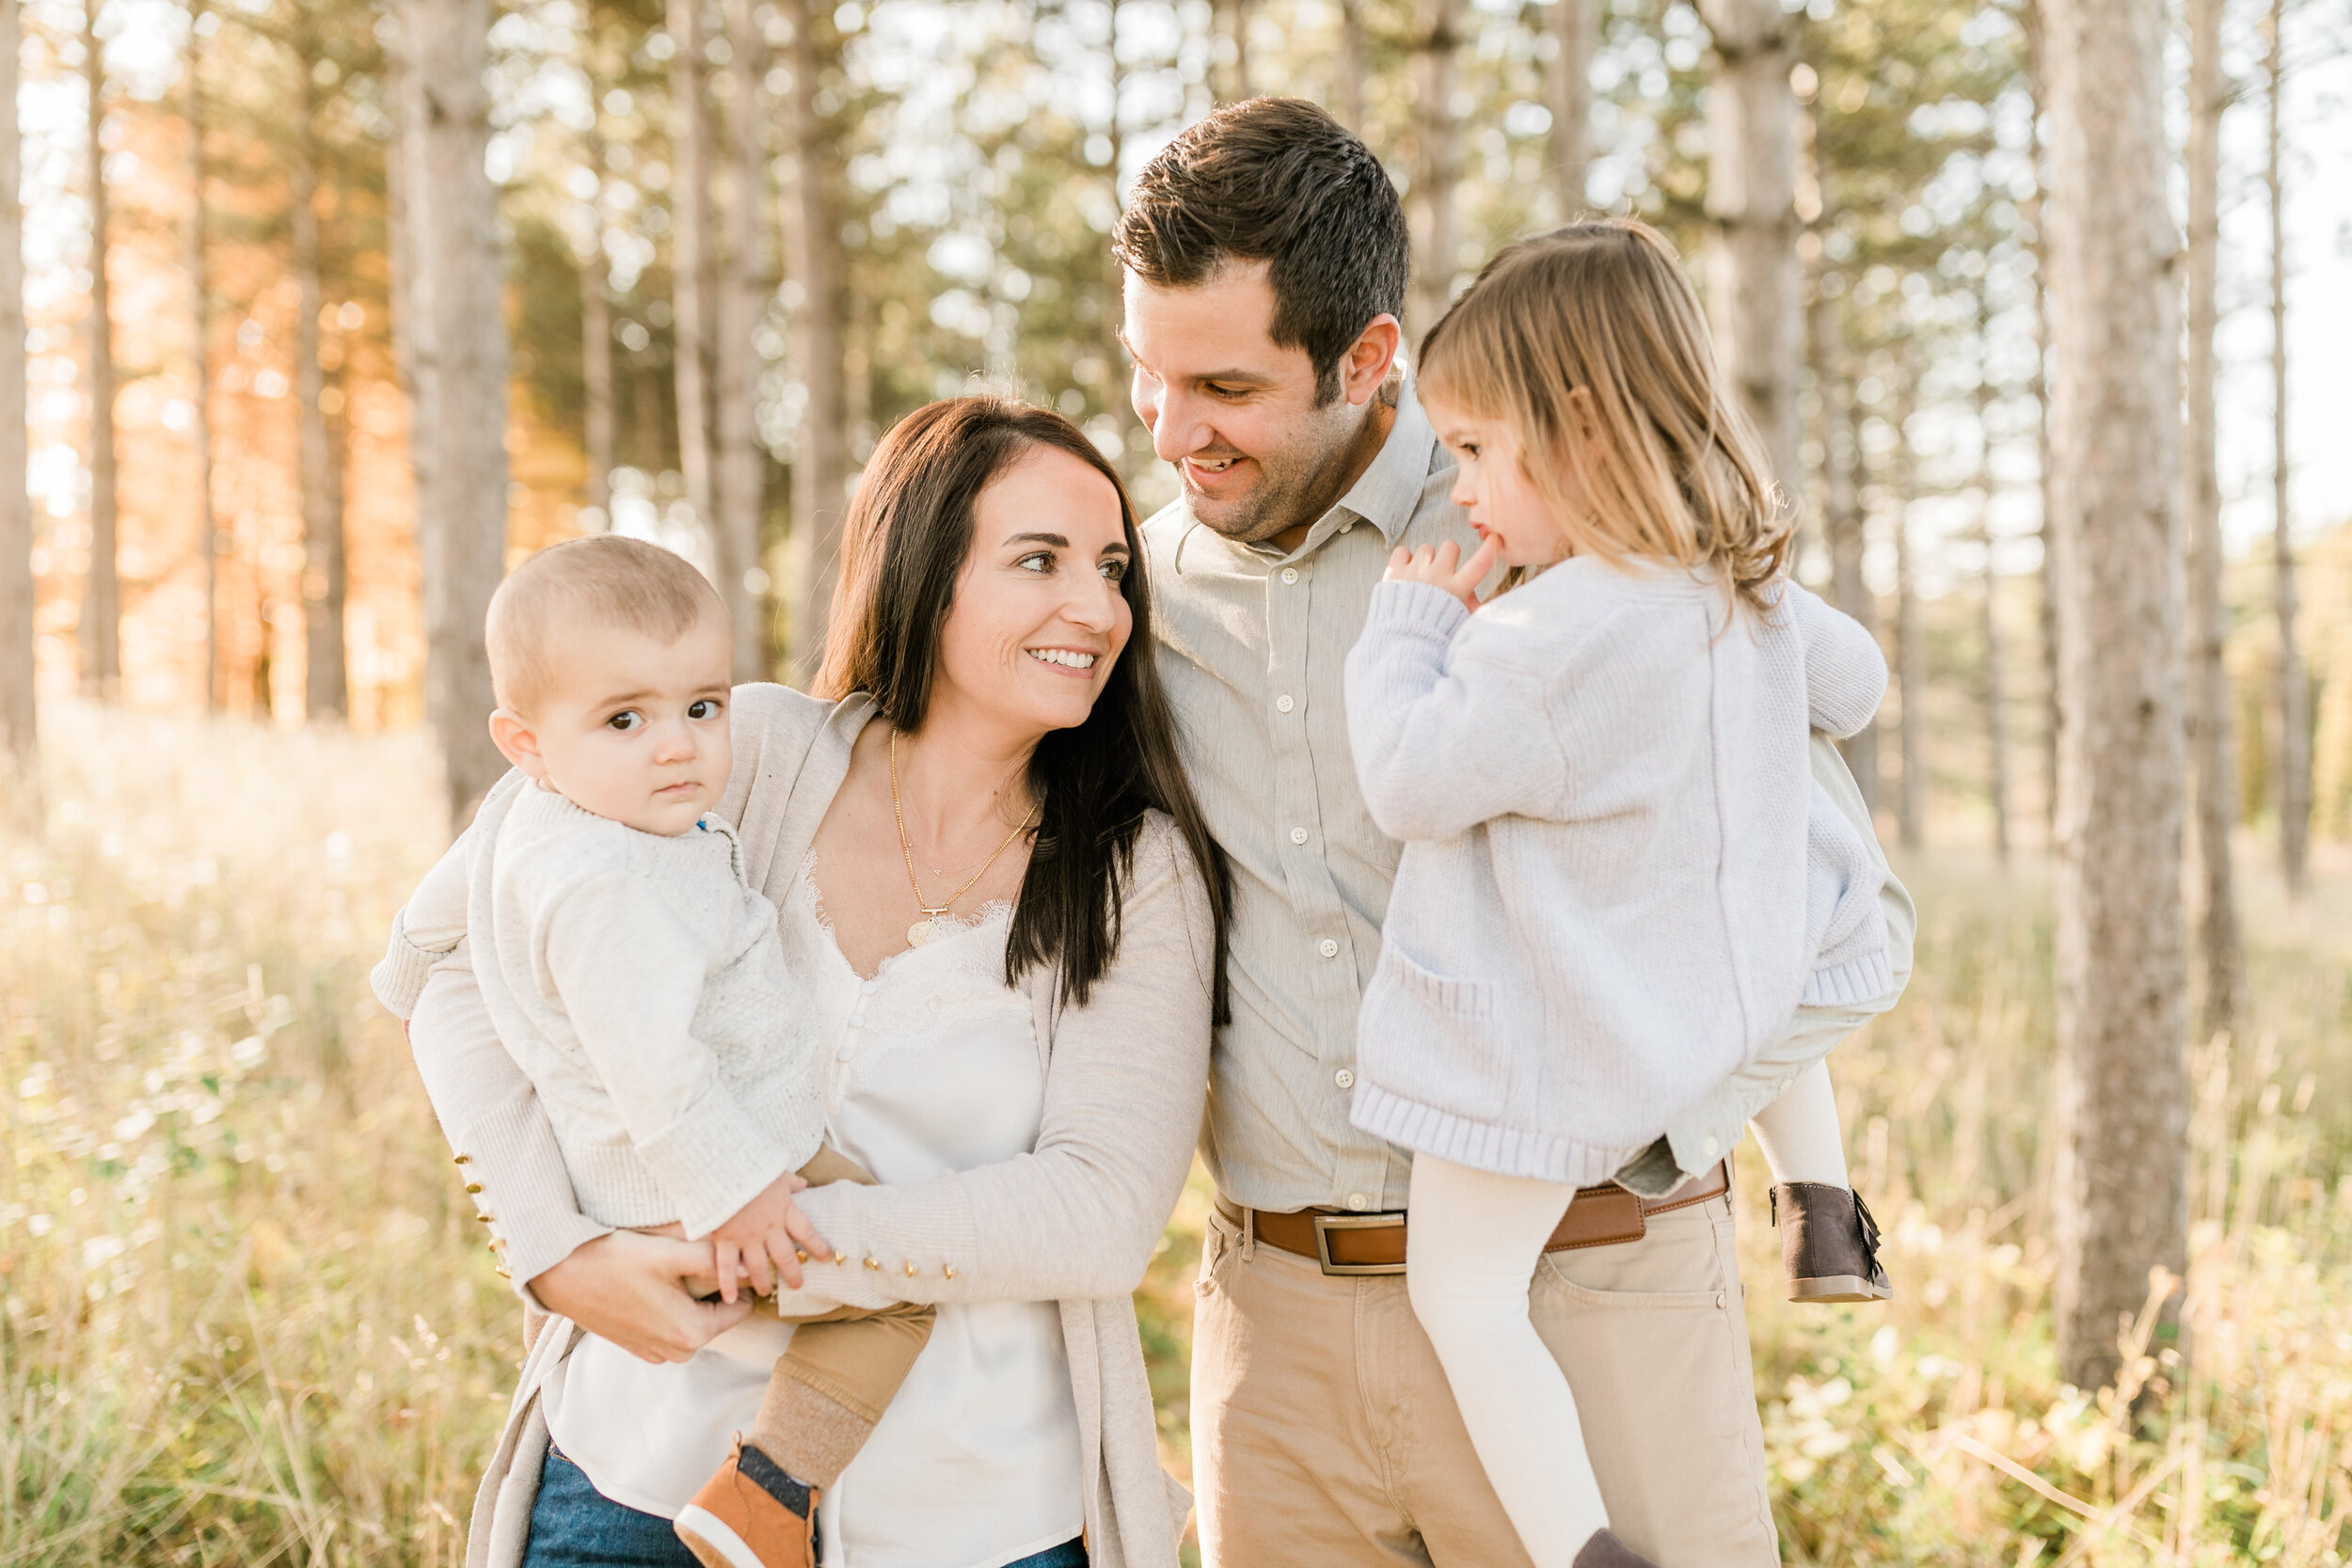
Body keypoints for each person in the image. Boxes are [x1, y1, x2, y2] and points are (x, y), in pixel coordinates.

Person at [1114, 97, 1915, 1567]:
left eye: (1220, 384)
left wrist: (1650, 1107)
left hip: (1586, 1277)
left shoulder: (1580, 549)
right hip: (1280, 1322)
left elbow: (1825, 904)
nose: (1172, 434)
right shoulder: (1133, 586)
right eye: (1148, 379)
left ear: (1368, 359)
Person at [396, 399, 1228, 1568]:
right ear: (923, 569)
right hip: (636, 1471)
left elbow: (1096, 1214)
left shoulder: (1133, 873)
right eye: (1038, 560)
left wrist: (763, 1241)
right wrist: (556, 1253)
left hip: (978, 1513)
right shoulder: (735, 752)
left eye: (1111, 568)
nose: (1094, 608)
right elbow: (449, 954)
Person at [1343, 218, 1895, 1568]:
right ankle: (1823, 1205)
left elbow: (1411, 782)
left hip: (1561, 1058)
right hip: (1730, 996)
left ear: (1576, 428)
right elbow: (1858, 690)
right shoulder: (1740, 592)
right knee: (1802, 894)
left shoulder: (1539, 640)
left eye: (1475, 450)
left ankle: (1585, 1546)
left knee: (1465, 1291)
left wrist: (1409, 625)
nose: (1458, 486)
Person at [372, 533, 942, 1568]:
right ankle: (766, 1496)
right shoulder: (607, 880)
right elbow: (654, 1064)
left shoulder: (561, 821)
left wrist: (401, 973)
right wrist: (739, 1189)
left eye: (702, 706)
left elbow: (427, 935)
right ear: (525, 740)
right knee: (896, 1291)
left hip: (691, 1162)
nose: (677, 745)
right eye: (625, 718)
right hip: (708, 1168)